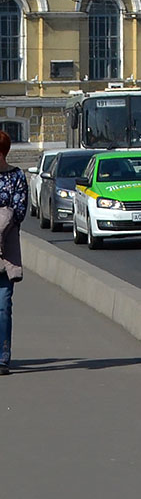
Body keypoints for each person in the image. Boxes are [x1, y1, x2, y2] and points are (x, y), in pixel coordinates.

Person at [0, 130, 28, 376]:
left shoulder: (17, 177)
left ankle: (3, 358)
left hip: (6, 252)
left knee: (3, 305)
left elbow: (19, 211)